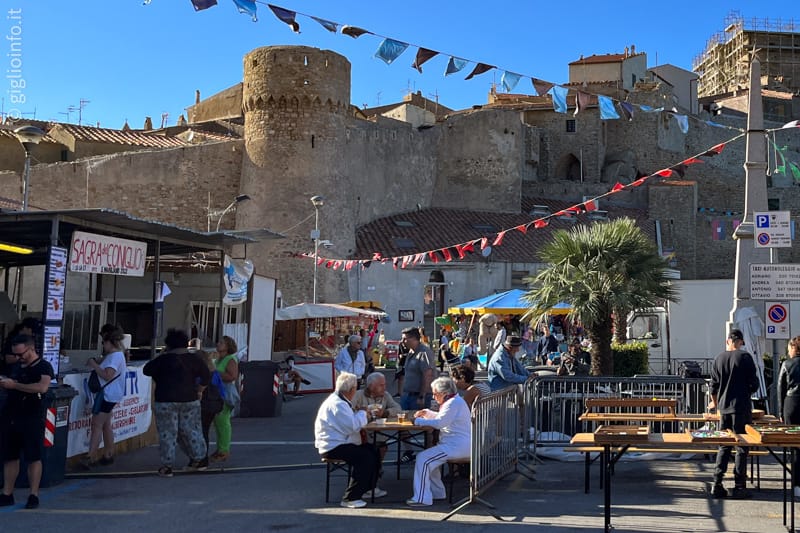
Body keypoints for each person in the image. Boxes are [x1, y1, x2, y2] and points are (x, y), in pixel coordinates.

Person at [143, 328, 210, 477]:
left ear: (168, 345)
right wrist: (199, 390)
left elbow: (146, 370)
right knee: (192, 430)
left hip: (165, 400)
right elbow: (206, 376)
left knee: (168, 433)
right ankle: (199, 459)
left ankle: (167, 465)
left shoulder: (163, 360)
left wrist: (162, 355)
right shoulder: (194, 359)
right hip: (190, 399)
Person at [0, 334, 54, 509]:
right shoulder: (15, 367)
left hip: (32, 416)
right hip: (11, 415)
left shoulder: (43, 366)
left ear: (31, 349)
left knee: (33, 456)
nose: (18, 358)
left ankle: (34, 494)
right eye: (15, 355)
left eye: (21, 354)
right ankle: (7, 492)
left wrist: (15, 385)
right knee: (10, 456)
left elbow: (42, 387)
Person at [314, 372, 382, 508]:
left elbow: (349, 423)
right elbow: (352, 426)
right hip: (332, 447)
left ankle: (368, 488)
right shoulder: (337, 404)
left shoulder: (340, 401)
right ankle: (350, 497)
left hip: (339, 442)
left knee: (374, 449)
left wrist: (360, 413)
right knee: (365, 457)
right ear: (351, 390)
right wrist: (363, 412)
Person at [708, 329, 759, 499]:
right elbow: (754, 384)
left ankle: (717, 483)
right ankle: (739, 486)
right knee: (742, 446)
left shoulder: (718, 359)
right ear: (741, 342)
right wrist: (746, 392)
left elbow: (713, 387)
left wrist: (716, 403)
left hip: (724, 408)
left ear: (728, 341)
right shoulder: (745, 358)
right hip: (741, 407)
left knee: (724, 444)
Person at [405, 376, 470, 507]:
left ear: (444, 393)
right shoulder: (455, 401)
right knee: (429, 459)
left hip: (455, 446)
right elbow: (445, 418)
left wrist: (417, 421)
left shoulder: (452, 403)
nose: (434, 397)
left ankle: (422, 498)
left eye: (435, 394)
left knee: (423, 459)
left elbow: (440, 422)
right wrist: (428, 413)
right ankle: (438, 492)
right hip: (457, 445)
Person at [81, 327, 127, 469]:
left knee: (97, 425)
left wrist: (94, 364)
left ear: (109, 342)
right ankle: (108, 453)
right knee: (106, 425)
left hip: (107, 395)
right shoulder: (116, 355)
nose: (102, 345)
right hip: (111, 395)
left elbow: (108, 375)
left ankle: (91, 456)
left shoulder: (115, 356)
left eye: (103, 342)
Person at [398, 327, 436, 464]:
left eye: (405, 338)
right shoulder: (410, 352)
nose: (402, 341)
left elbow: (428, 375)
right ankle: (409, 450)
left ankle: (428, 454)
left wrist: (422, 395)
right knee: (401, 424)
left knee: (425, 427)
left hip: (418, 396)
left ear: (414, 338)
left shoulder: (424, 352)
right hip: (407, 395)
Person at [353, 371, 402, 470]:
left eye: (385, 385)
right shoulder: (358, 395)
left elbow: (398, 408)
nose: (384, 387)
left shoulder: (385, 395)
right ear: (371, 386)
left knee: (381, 446)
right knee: (369, 449)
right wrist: (362, 412)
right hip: (361, 433)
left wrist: (385, 413)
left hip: (378, 432)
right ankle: (369, 471)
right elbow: (349, 412)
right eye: (381, 385)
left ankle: (376, 469)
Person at [210, 336, 239, 462]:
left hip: (225, 393)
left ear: (228, 346)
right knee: (218, 422)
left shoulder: (230, 359)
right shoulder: (217, 360)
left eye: (221, 342)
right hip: (217, 393)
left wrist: (215, 373)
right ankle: (220, 448)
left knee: (223, 422)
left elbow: (232, 376)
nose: (218, 344)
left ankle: (223, 450)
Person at [778, 336, 800, 497]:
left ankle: (797, 484)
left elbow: (780, 389)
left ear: (793, 348)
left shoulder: (787, 364)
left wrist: (779, 412)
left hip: (791, 404)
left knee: (795, 445)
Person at [198, 349, 224, 468]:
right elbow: (221, 390)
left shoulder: (200, 374)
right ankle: (203, 458)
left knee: (200, 432)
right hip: (214, 405)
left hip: (203, 404)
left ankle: (201, 459)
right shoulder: (215, 373)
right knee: (205, 431)